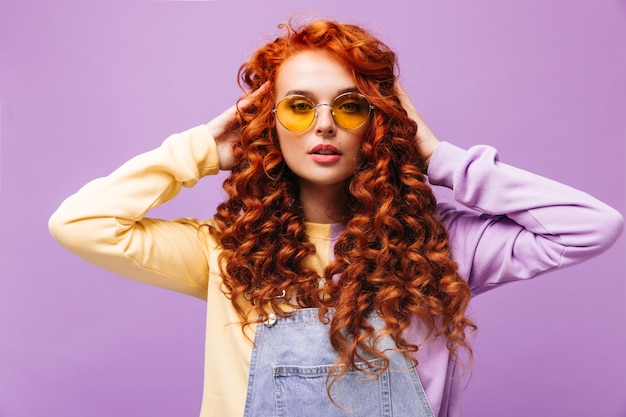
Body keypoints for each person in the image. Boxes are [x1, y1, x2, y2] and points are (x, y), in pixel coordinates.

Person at [48, 18, 623, 417]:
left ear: (378, 122)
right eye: (298, 107)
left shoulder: (441, 245)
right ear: (266, 123)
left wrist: (436, 157)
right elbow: (80, 223)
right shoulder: (227, 253)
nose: (323, 125)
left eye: (348, 106)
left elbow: (592, 225)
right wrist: (201, 147)